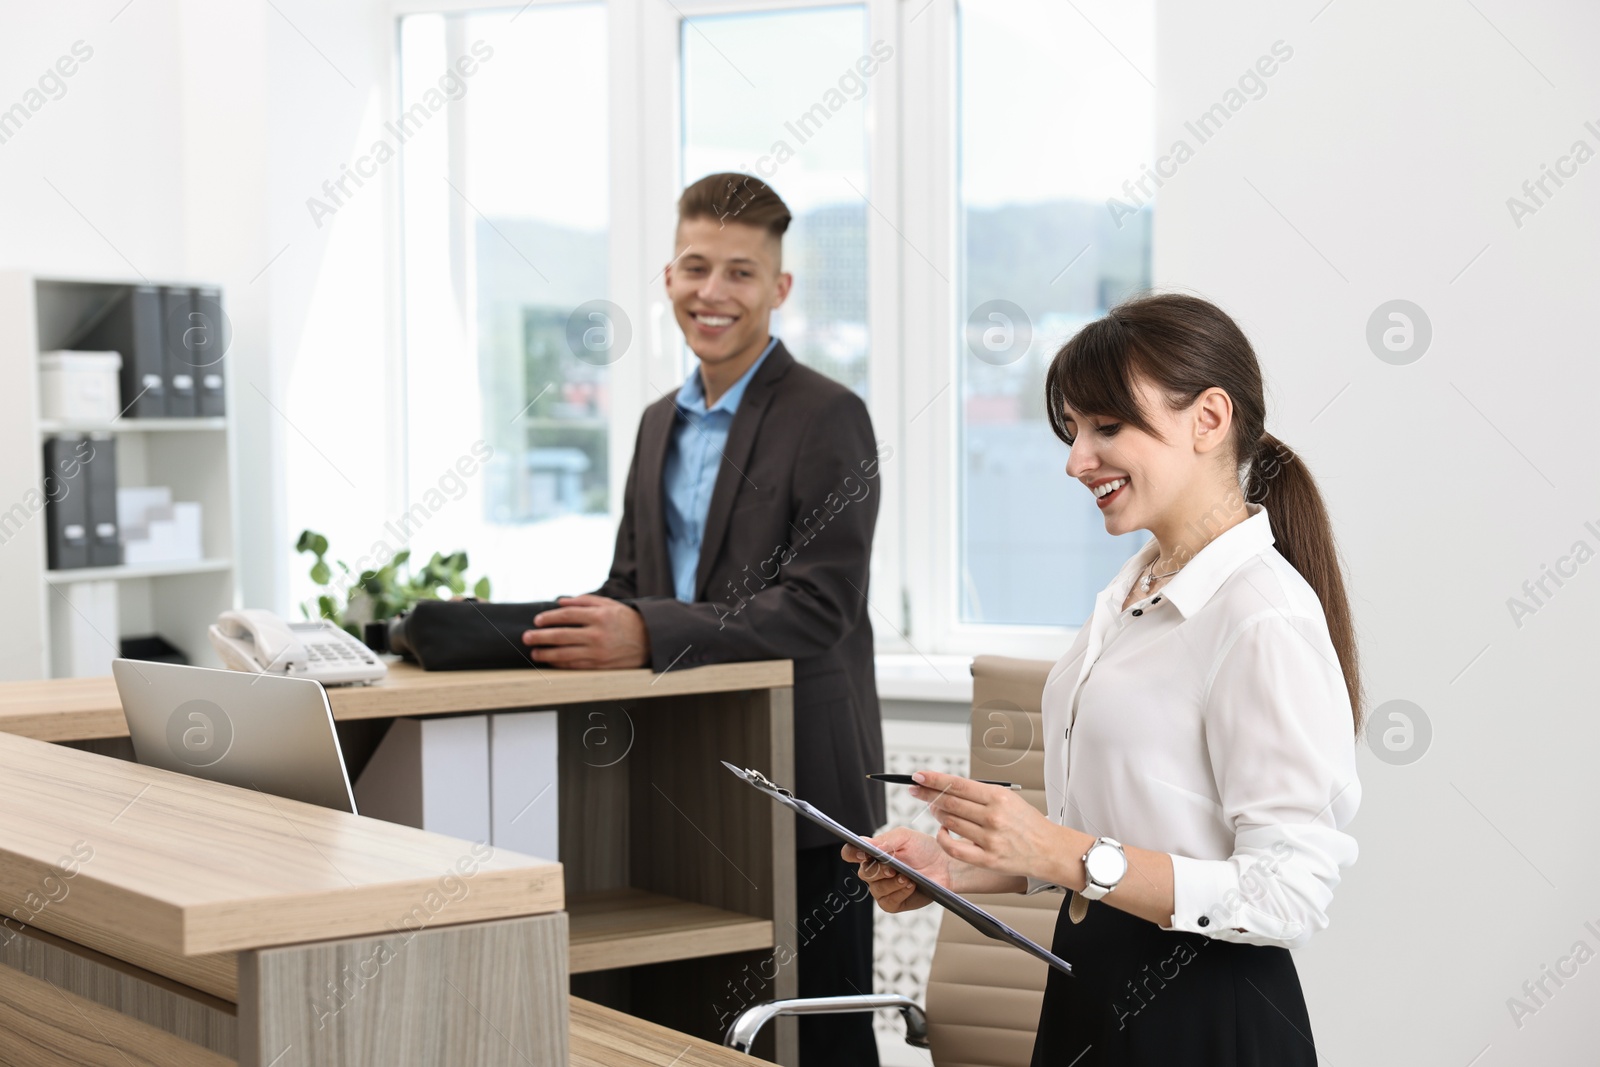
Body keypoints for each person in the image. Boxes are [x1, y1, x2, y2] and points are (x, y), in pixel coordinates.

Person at [844, 292, 1362, 1065]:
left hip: (1204, 1017)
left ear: (1209, 419)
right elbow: (1116, 829)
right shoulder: (1132, 591)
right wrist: (959, 866)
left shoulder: (1262, 615)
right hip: (1090, 990)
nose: (1075, 458)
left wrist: (1061, 850)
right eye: (1073, 429)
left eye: (1107, 427)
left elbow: (1289, 891)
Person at [524, 172, 887, 1066]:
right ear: (667, 277)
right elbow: (631, 580)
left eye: (740, 273)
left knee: (819, 1034)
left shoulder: (829, 416)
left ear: (779, 290)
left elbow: (819, 604)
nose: (712, 293)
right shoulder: (656, 424)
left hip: (804, 788)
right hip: (681, 777)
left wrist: (649, 632)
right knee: (693, 1028)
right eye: (695, 268)